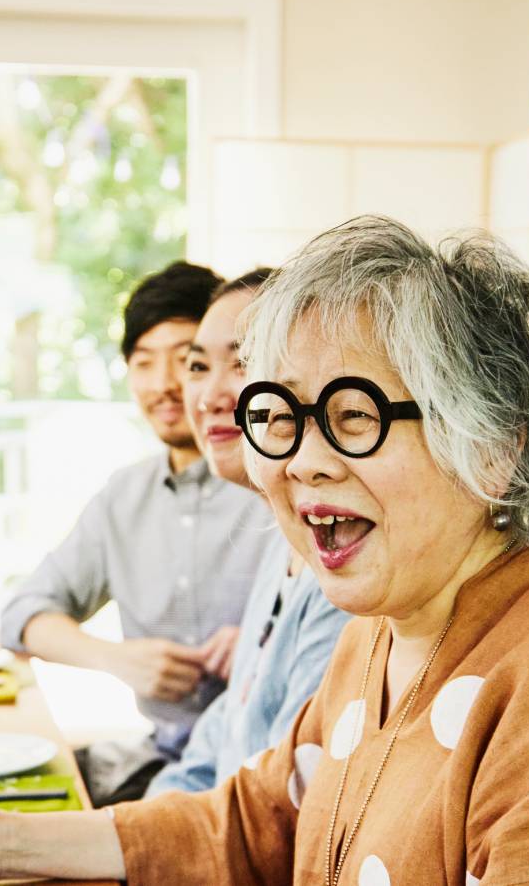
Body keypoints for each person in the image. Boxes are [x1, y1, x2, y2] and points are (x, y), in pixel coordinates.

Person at [0, 217, 529, 885]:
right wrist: (0, 838)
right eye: (280, 416)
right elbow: (254, 824)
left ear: (493, 448)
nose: (302, 461)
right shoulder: (383, 625)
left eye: (355, 415)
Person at [0, 260, 273, 806]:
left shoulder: (280, 485)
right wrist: (117, 660)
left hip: (254, 767)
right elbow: (20, 617)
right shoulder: (125, 496)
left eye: (187, 361)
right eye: (144, 362)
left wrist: (265, 643)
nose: (167, 385)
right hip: (163, 758)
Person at [146, 268, 351, 796]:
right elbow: (217, 743)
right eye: (198, 366)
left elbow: (279, 806)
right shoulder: (283, 541)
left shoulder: (346, 575)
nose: (210, 395)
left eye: (243, 363)